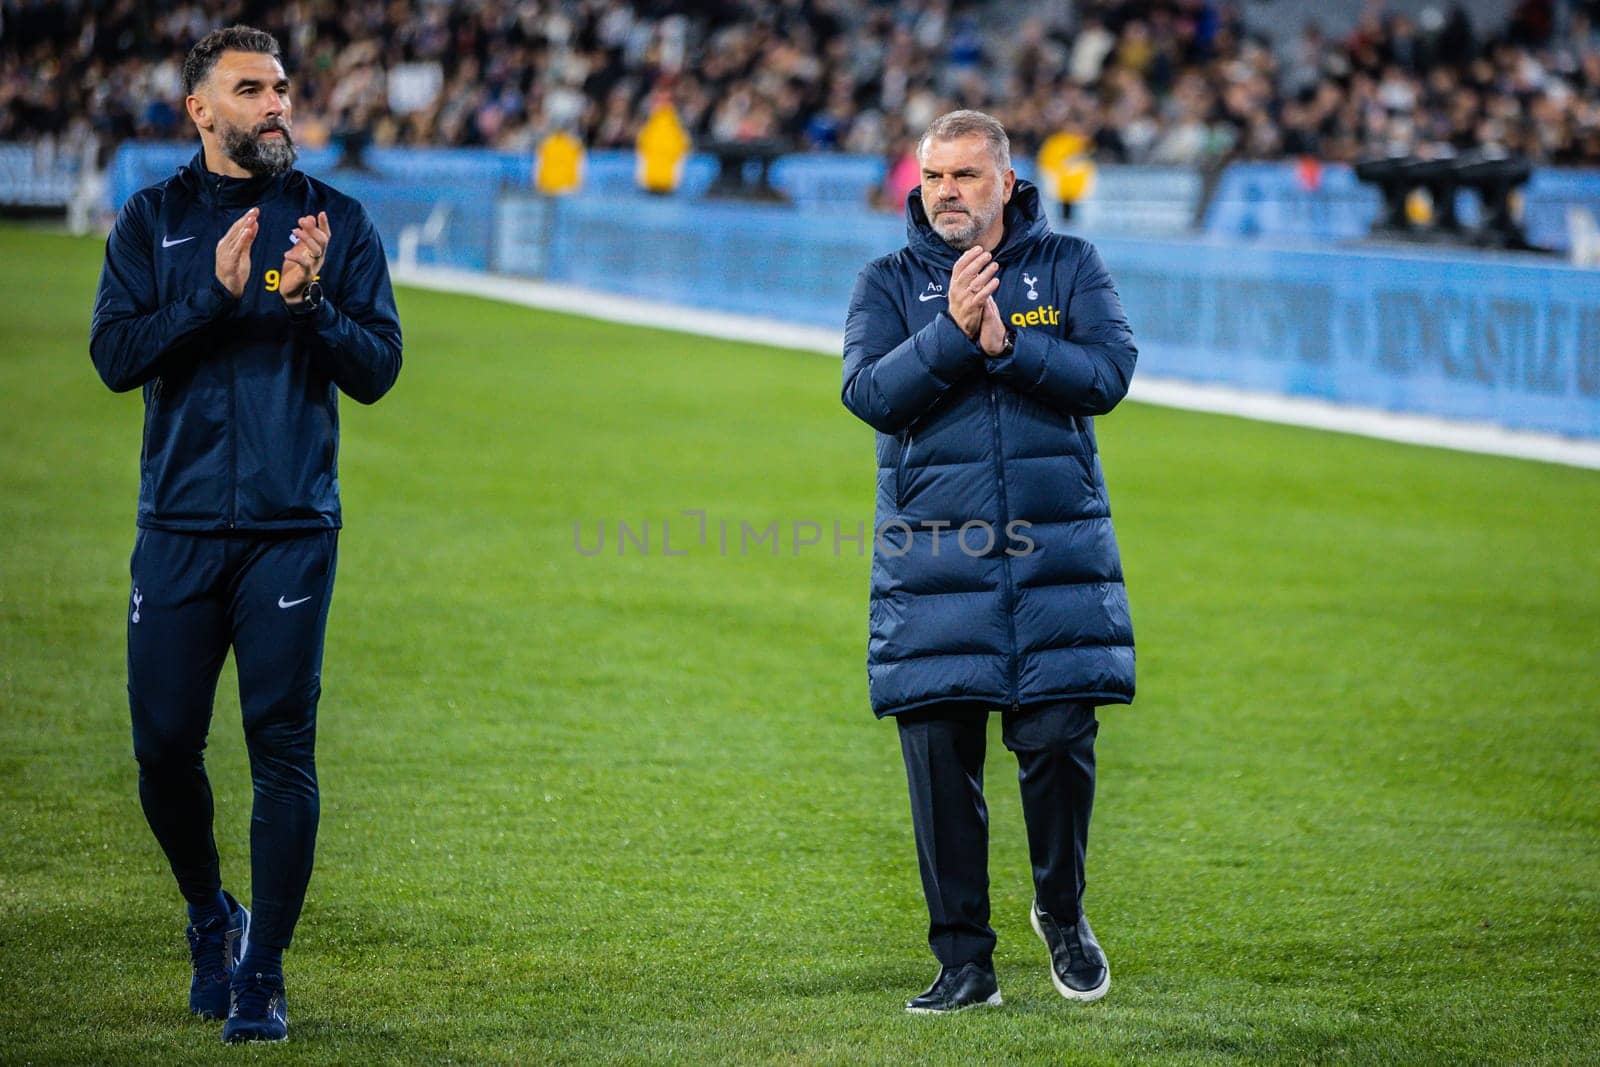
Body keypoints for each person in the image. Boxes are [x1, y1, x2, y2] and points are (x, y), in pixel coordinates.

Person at [89, 25, 402, 1044]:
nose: (276, 104)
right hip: (176, 524)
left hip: (289, 528)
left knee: (281, 748)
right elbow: (116, 356)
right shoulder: (151, 219)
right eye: (251, 89)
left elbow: (378, 367)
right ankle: (207, 912)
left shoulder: (335, 220)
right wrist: (211, 297)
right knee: (164, 746)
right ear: (201, 109)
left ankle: (260, 968)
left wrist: (310, 307)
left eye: (280, 87)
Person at [840, 110, 1136, 1014]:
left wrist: (1011, 347)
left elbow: (1110, 373)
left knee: (1056, 747)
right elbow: (868, 394)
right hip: (935, 561)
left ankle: (1063, 911)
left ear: (1007, 183)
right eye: (933, 178)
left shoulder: (1070, 266)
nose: (946, 194)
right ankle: (964, 961)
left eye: (966, 176)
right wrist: (954, 334)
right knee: (938, 762)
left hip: (1054, 555)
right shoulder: (887, 282)